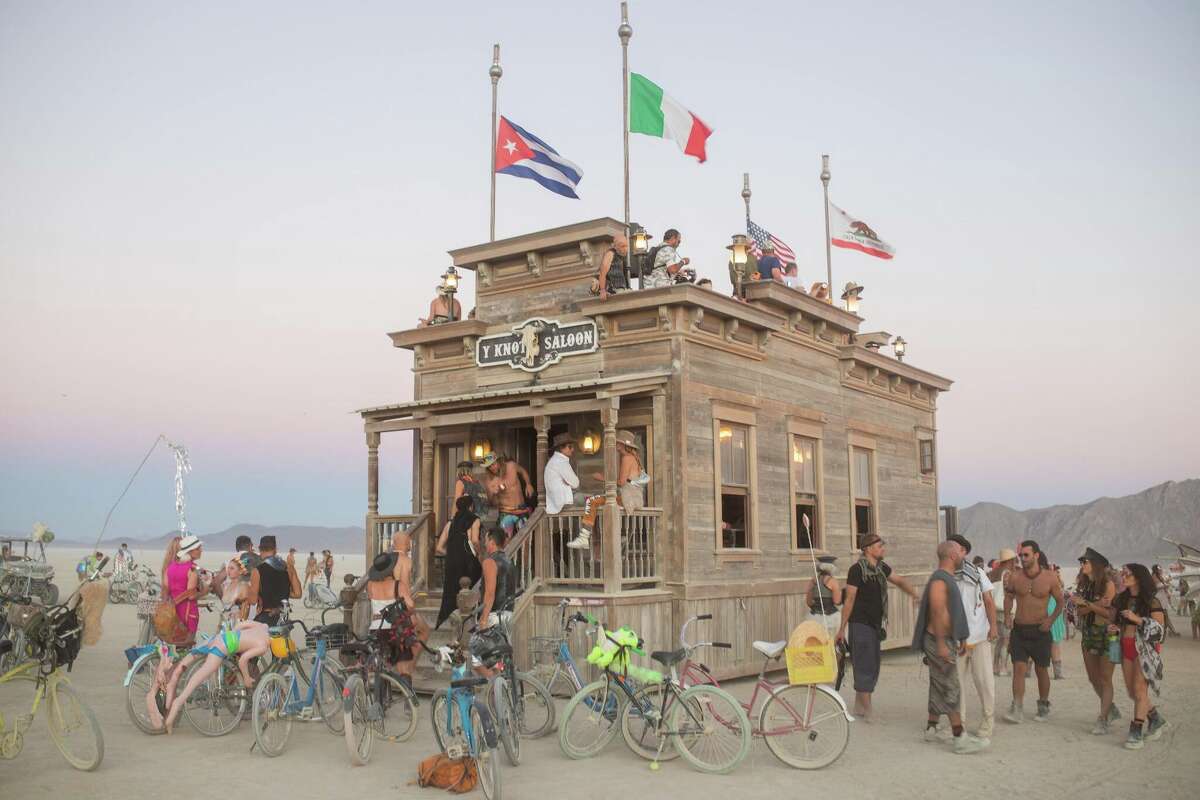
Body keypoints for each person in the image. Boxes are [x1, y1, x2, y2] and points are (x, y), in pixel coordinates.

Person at [913, 541, 988, 754]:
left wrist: (960, 636)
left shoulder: (946, 578)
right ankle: (960, 738)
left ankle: (931, 727)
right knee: (951, 686)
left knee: (938, 683)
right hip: (938, 641)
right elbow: (937, 613)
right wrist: (941, 644)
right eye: (961, 552)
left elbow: (950, 611)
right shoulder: (940, 580)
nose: (964, 556)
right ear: (953, 556)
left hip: (945, 639)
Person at [836, 533, 920, 720]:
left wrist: (915, 594)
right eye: (879, 546)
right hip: (860, 624)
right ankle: (868, 712)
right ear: (868, 549)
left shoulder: (881, 568)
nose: (883, 549)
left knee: (872, 665)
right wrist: (842, 629)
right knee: (865, 665)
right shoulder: (856, 570)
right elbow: (849, 599)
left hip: (875, 625)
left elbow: (899, 581)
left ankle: (859, 707)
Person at [159, 620, 271, 733]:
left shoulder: (263, 626)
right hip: (222, 648)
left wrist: (236, 639)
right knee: (199, 676)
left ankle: (171, 688)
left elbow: (240, 625)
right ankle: (177, 704)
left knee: (190, 657)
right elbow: (243, 660)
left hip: (219, 638)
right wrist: (246, 678)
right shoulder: (263, 646)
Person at [1003, 539, 1064, 723]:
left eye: (1026, 555)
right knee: (1018, 668)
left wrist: (1050, 620)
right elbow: (1009, 597)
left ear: (1036, 555)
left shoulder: (1050, 577)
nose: (1022, 558)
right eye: (1020, 555)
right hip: (1020, 629)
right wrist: (1007, 616)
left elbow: (1060, 602)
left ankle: (1043, 705)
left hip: (1040, 630)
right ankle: (1017, 708)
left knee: (1041, 669)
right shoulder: (1015, 576)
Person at [946, 534, 997, 741]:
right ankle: (960, 724)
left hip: (978, 636)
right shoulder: (946, 575)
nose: (950, 551)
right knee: (956, 684)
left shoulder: (977, 573)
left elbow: (988, 601)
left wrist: (993, 627)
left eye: (954, 548)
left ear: (963, 552)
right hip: (955, 639)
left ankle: (988, 721)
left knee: (983, 681)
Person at [1112, 563, 1168, 749]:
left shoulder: (1152, 601)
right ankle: (1155, 718)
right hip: (1125, 646)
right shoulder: (1122, 599)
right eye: (1122, 573)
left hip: (1144, 649)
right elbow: (1120, 623)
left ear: (1138, 577)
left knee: (1139, 690)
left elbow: (1160, 632)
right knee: (1132, 692)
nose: (1123, 576)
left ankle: (1136, 731)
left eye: (1127, 574)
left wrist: (1137, 619)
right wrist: (1115, 628)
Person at [366, 530, 428, 690]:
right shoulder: (398, 583)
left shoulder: (370, 585)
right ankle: (408, 698)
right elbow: (410, 604)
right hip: (396, 628)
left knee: (382, 665)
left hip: (376, 628)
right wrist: (409, 613)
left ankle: (380, 700)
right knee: (404, 667)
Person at [566, 430, 647, 549]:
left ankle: (584, 538)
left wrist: (602, 478)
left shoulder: (627, 458)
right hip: (632, 498)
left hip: (627, 499)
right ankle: (617, 536)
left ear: (623, 445)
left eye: (618, 442)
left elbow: (621, 482)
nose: (616, 444)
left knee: (592, 501)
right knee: (602, 503)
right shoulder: (633, 458)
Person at [1075, 547, 1120, 734]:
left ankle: (1103, 718)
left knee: (1105, 678)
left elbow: (1110, 614)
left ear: (1096, 565)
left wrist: (1088, 605)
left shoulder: (1108, 585)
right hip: (1089, 634)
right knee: (1093, 678)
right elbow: (1080, 611)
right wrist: (1095, 605)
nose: (1082, 565)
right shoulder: (1086, 585)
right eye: (1081, 562)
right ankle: (1110, 709)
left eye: (1085, 562)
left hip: (1110, 635)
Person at [435, 495, 483, 629]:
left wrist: (452, 555)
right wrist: (480, 554)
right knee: (475, 589)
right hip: (469, 562)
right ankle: (471, 622)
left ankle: (455, 622)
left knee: (453, 592)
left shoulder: (450, 523)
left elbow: (439, 548)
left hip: (452, 563)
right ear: (471, 506)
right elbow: (475, 540)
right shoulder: (475, 520)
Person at [246, 535, 301, 625]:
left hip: (266, 617)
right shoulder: (289, 568)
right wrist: (281, 593)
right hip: (283, 617)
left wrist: (245, 588)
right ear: (275, 549)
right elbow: (297, 594)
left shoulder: (257, 571)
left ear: (260, 549)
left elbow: (252, 601)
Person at [165, 535, 206, 645]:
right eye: (198, 548)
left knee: (175, 645)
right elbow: (191, 595)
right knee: (187, 645)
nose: (201, 550)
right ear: (191, 551)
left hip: (174, 613)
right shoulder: (193, 568)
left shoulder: (171, 567)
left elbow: (167, 589)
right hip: (188, 613)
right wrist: (204, 592)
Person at [488, 454, 535, 538]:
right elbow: (492, 502)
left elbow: (523, 471)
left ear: (498, 461)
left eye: (493, 464)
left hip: (521, 509)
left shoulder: (511, 466)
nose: (492, 467)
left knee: (526, 538)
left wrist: (528, 484)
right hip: (506, 512)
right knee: (506, 540)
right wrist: (495, 494)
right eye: (489, 467)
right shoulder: (492, 482)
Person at [989, 548, 1017, 677]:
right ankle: (1003, 668)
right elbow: (1008, 594)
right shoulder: (1007, 574)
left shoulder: (993, 573)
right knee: (1006, 640)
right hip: (1005, 610)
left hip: (995, 609)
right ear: (1010, 560)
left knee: (1000, 640)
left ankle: (995, 666)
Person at [805, 555, 842, 630]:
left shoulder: (813, 581)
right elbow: (837, 601)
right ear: (831, 568)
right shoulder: (833, 581)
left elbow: (809, 602)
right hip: (830, 618)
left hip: (814, 617)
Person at [597, 234, 631, 300]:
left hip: (623, 289)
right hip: (614, 290)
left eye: (626, 246)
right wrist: (603, 290)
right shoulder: (610, 254)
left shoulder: (622, 257)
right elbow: (602, 273)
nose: (625, 249)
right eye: (622, 246)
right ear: (615, 246)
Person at [1151, 565, 1180, 637]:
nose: (1161, 570)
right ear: (1156, 570)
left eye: (1161, 569)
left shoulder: (1160, 577)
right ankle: (1171, 631)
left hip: (1163, 597)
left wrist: (1167, 585)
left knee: (1165, 615)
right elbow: (1154, 588)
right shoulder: (1153, 576)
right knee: (1164, 615)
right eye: (1159, 569)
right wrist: (1164, 586)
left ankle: (1167, 631)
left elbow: (1164, 586)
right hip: (1158, 598)